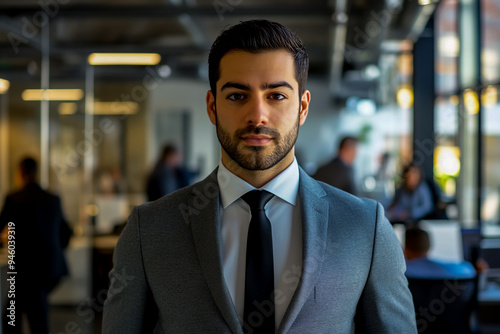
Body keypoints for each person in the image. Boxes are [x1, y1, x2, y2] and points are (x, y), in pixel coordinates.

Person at [103, 20, 417, 333]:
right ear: (212, 107)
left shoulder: (364, 227)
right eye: (237, 96)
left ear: (303, 107)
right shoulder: (151, 230)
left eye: (276, 96)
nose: (257, 115)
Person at [0, 157, 70, 334]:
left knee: (14, 315)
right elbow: (67, 233)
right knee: (31, 311)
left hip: (26, 271)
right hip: (50, 270)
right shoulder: (52, 199)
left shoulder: (14, 199)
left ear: (21, 173)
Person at [404, 226, 476, 279]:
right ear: (429, 246)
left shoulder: (404, 272)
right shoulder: (460, 269)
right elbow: (469, 270)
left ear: (405, 249)